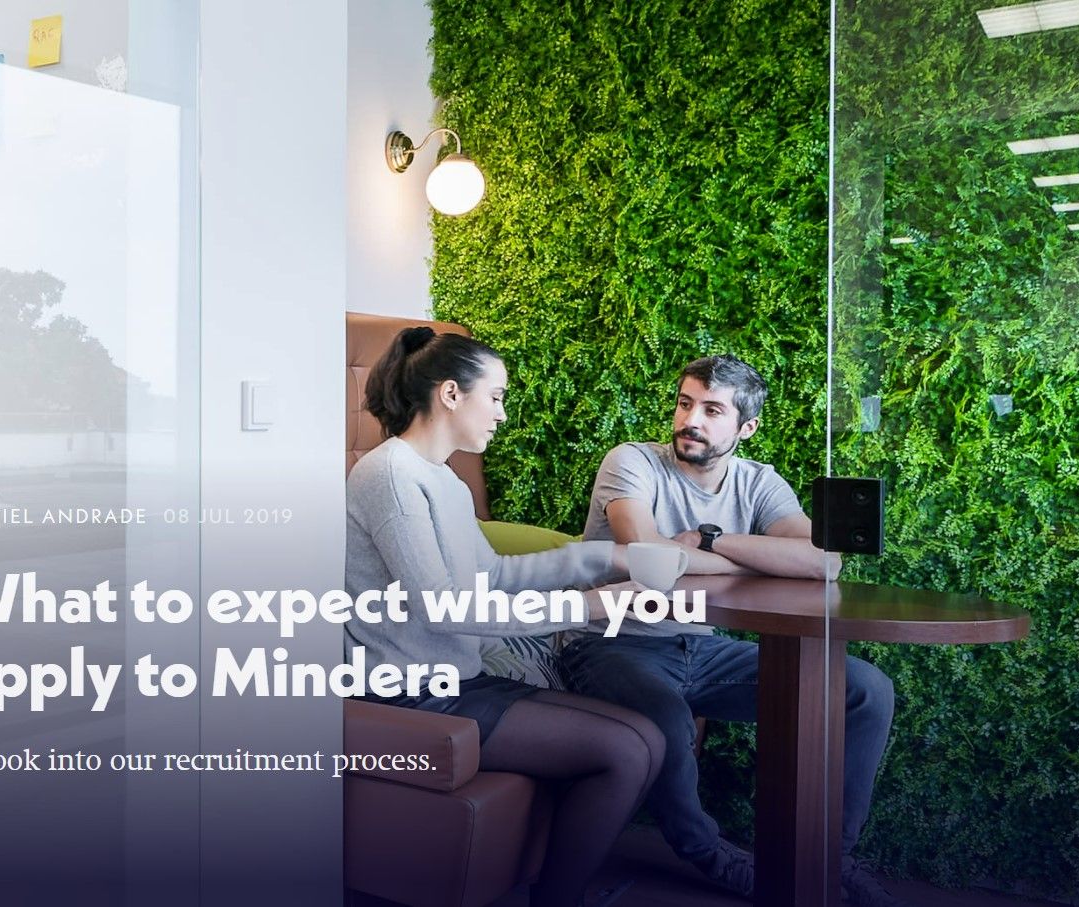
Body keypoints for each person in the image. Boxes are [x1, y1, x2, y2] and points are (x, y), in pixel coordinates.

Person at [556, 355, 902, 906]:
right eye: (685, 402)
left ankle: (827, 859)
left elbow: (826, 561)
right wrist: (759, 559)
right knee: (668, 719)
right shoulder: (632, 463)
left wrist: (710, 541)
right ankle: (709, 855)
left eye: (712, 409)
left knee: (864, 691)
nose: (690, 419)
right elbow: (650, 561)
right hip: (611, 640)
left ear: (746, 427)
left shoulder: (758, 481)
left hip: (703, 646)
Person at [346, 326, 665, 907]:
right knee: (623, 751)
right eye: (494, 396)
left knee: (648, 735)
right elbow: (442, 607)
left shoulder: (444, 481)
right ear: (449, 394)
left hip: (457, 677)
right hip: (407, 690)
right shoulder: (389, 475)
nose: (502, 413)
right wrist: (586, 606)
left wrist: (603, 559)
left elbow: (492, 576)